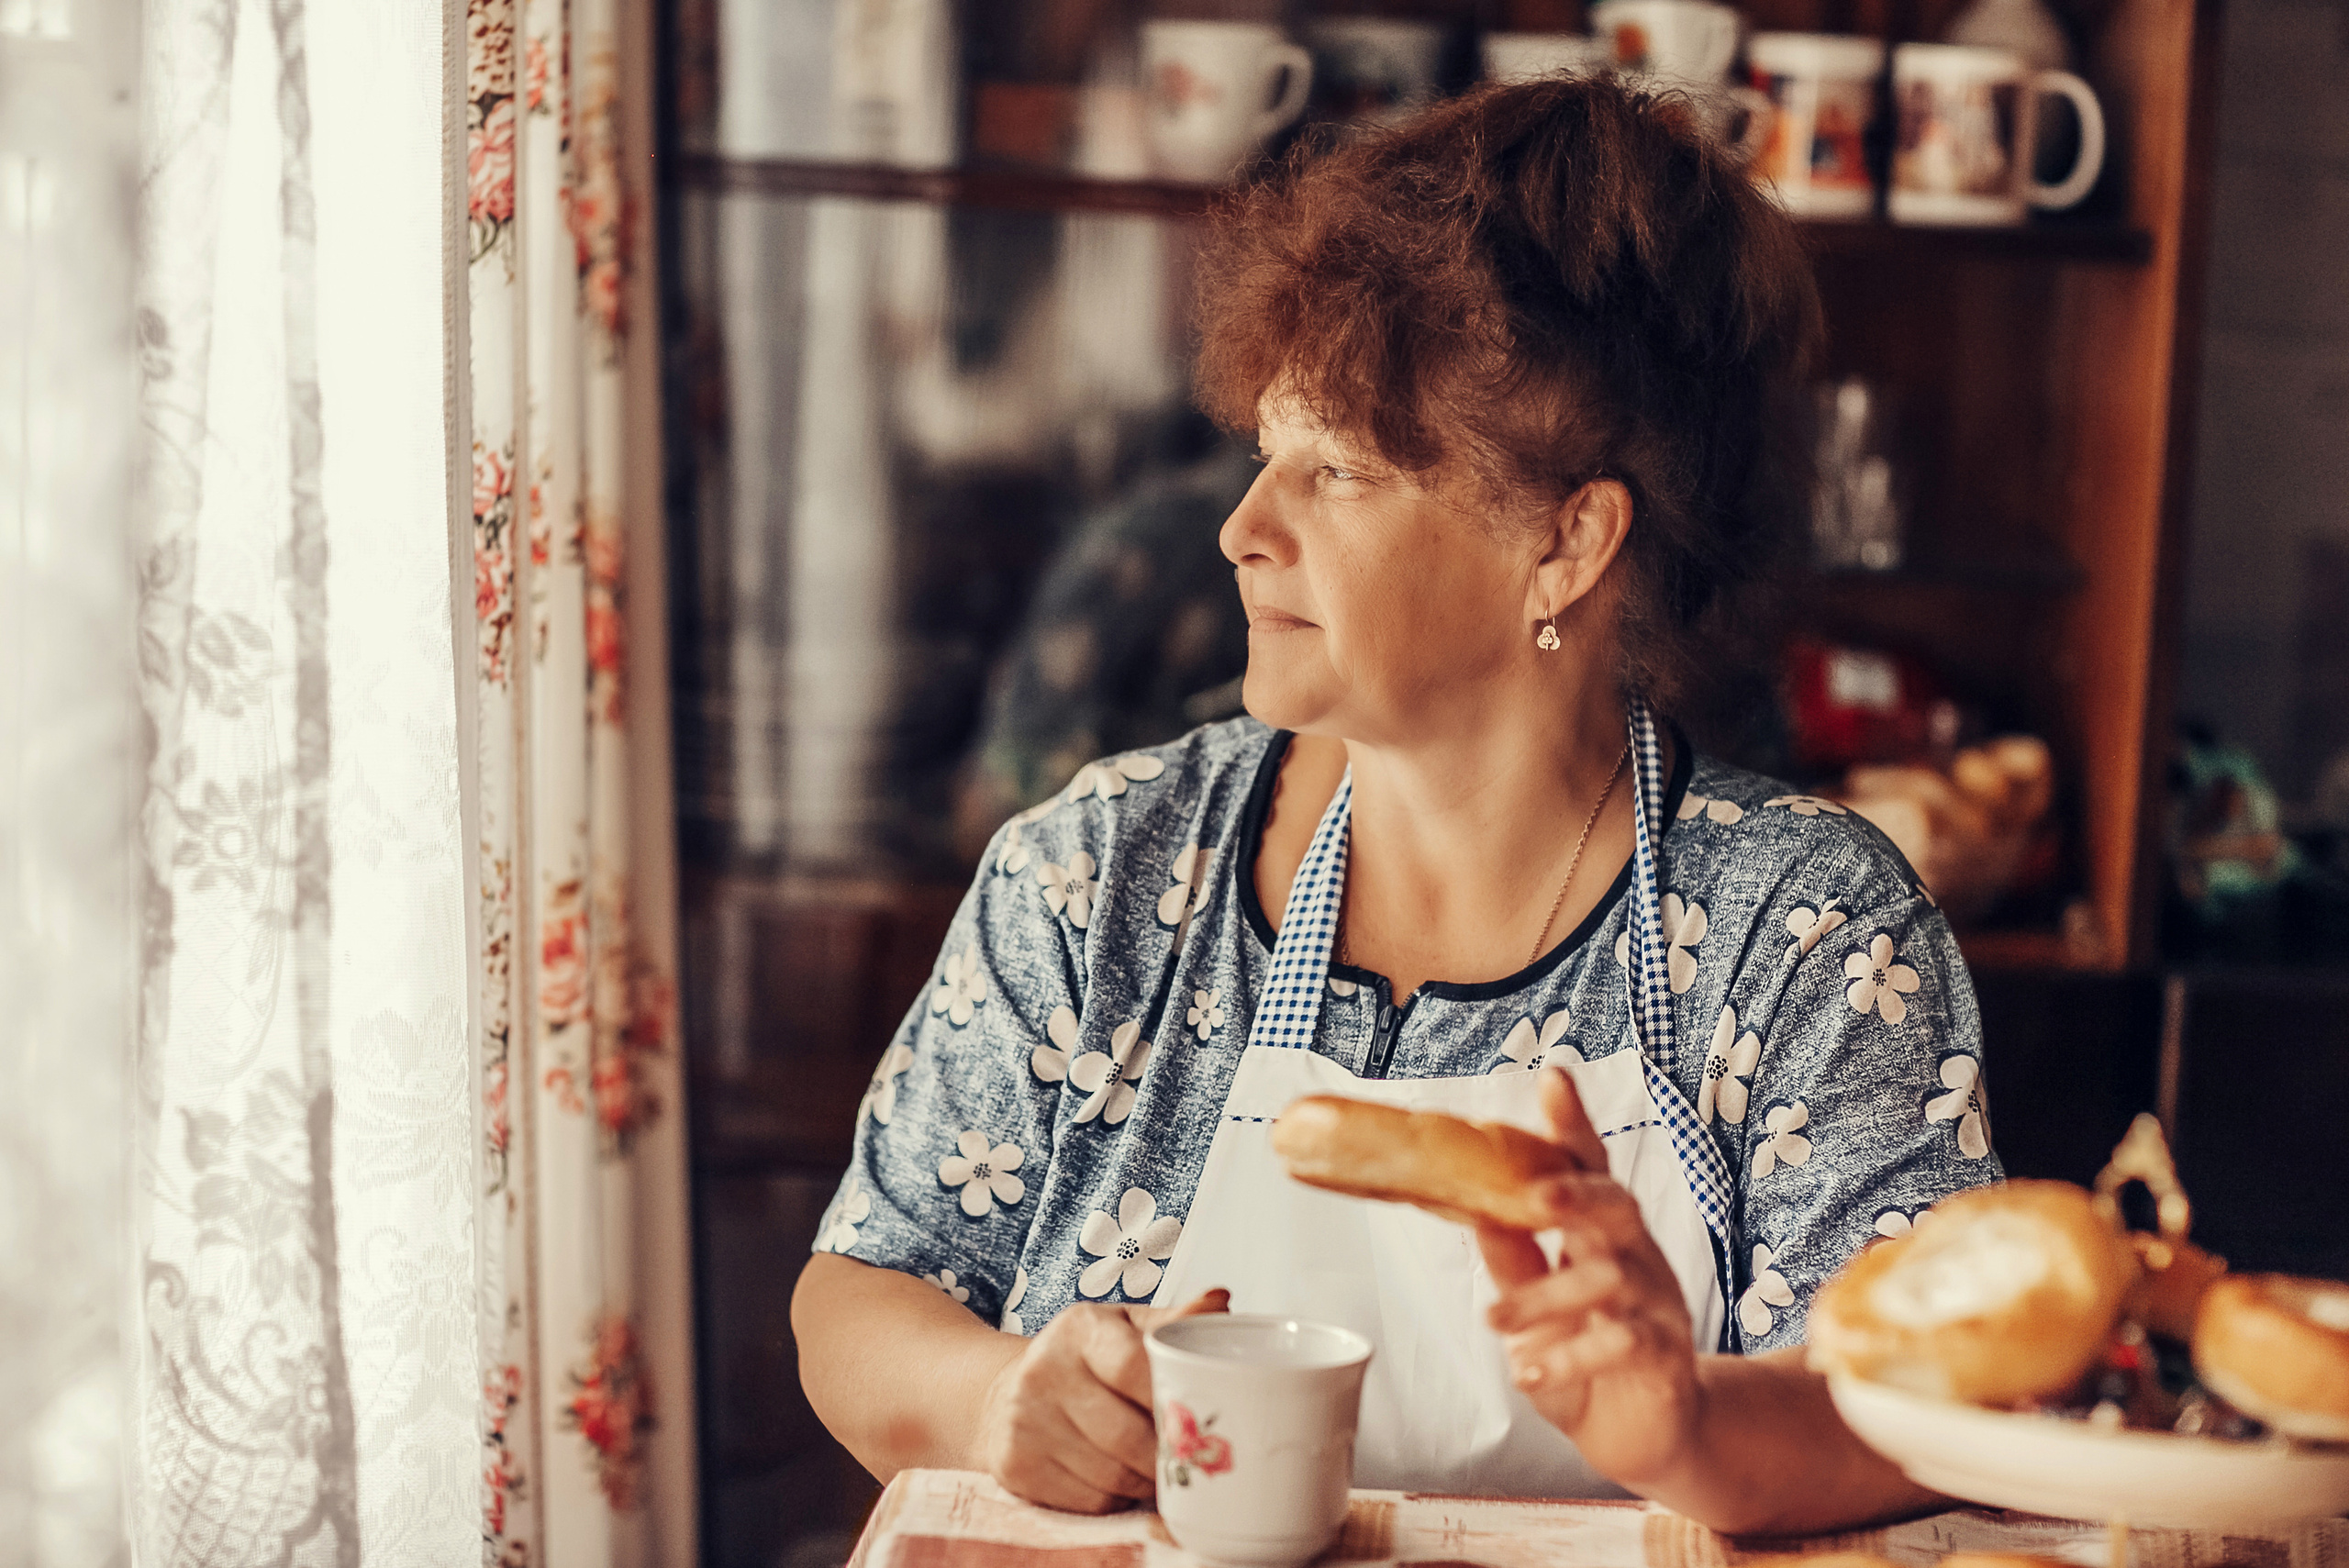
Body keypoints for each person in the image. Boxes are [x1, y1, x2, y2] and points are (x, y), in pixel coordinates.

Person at [793, 76, 2001, 1533]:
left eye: (1337, 472)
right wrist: (993, 1398)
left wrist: (1685, 1424)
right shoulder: (1100, 871)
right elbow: (858, 1291)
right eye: (1265, 453)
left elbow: (1918, 1403)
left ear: (1565, 541)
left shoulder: (1806, 933)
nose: (1244, 530)